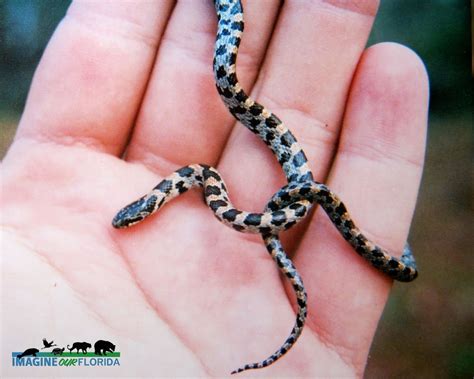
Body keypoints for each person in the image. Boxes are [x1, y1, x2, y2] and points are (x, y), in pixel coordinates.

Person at [1, 0, 428, 376]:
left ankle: (385, 252)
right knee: (300, 198)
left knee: (301, 193)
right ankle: (379, 247)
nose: (128, 222)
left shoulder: (203, 184)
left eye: (131, 218)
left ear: (147, 208)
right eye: (130, 219)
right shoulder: (197, 182)